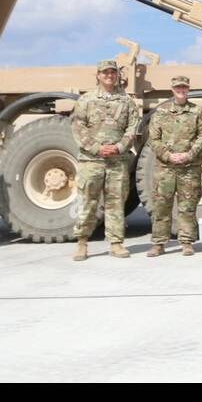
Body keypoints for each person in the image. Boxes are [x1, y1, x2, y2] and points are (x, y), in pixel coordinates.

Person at [69, 59, 140, 261]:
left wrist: (118, 147)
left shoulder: (126, 101)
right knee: (87, 203)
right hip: (92, 161)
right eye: (105, 72)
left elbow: (132, 127)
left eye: (112, 72)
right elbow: (77, 127)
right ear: (98, 75)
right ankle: (82, 243)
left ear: (117, 75)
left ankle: (116, 244)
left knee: (116, 203)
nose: (109, 75)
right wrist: (97, 148)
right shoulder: (86, 100)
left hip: (117, 161)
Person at [145, 75, 202, 257]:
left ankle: (187, 242)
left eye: (184, 87)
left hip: (189, 167)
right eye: (177, 88)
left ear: (188, 89)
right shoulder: (161, 111)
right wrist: (168, 155)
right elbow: (154, 138)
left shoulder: (197, 112)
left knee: (187, 206)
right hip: (165, 168)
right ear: (172, 90)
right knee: (161, 206)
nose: (181, 90)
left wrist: (189, 154)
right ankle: (159, 243)